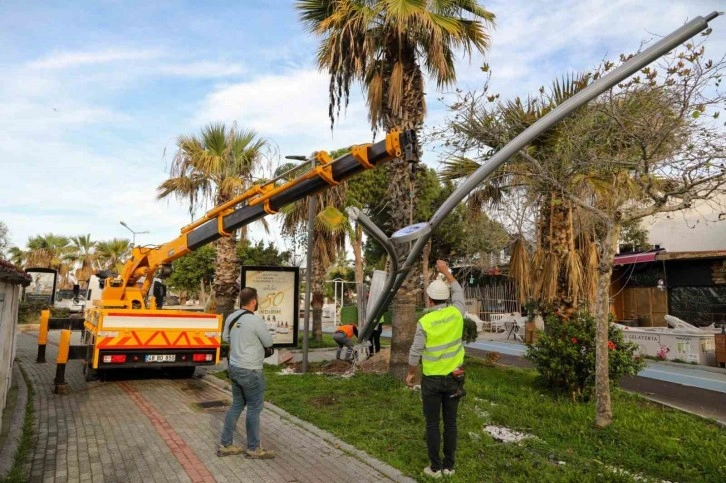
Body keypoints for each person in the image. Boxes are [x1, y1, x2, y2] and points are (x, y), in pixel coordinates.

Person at [406, 260, 466, 479]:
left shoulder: (426, 321)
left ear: (429, 299)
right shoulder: (457, 312)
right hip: (454, 379)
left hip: (431, 380)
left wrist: (412, 372)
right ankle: (449, 467)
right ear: (446, 298)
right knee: (450, 422)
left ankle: (435, 468)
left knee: (432, 423)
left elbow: (415, 351)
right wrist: (445, 272)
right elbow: (458, 290)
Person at [218, 287, 276, 459]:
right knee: (254, 408)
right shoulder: (255, 321)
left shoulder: (231, 317)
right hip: (251, 370)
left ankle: (226, 445)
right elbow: (268, 341)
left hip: (235, 368)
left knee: (236, 405)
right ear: (253, 301)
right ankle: (253, 448)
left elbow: (225, 338)